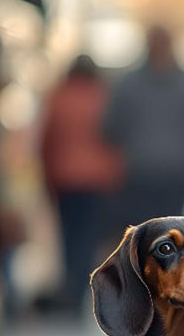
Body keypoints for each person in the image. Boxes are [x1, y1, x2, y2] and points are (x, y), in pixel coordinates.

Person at [103, 25, 184, 226]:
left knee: (154, 231)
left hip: (159, 171)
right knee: (168, 231)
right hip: (150, 172)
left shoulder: (130, 84)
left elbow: (113, 125)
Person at [40, 54, 124, 311]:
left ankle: (69, 288)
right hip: (96, 179)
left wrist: (47, 174)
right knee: (88, 237)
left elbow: (47, 139)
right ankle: (80, 290)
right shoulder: (105, 97)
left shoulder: (59, 96)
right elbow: (116, 137)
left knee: (68, 235)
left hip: (64, 177)